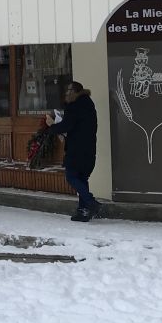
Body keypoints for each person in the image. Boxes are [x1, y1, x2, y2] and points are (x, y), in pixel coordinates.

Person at [46, 81, 100, 222]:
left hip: (77, 150)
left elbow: (67, 125)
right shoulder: (88, 104)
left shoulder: (75, 106)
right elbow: (76, 125)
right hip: (89, 148)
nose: (66, 94)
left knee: (71, 176)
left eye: (68, 91)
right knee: (82, 178)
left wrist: (52, 126)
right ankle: (83, 211)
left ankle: (90, 202)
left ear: (75, 92)